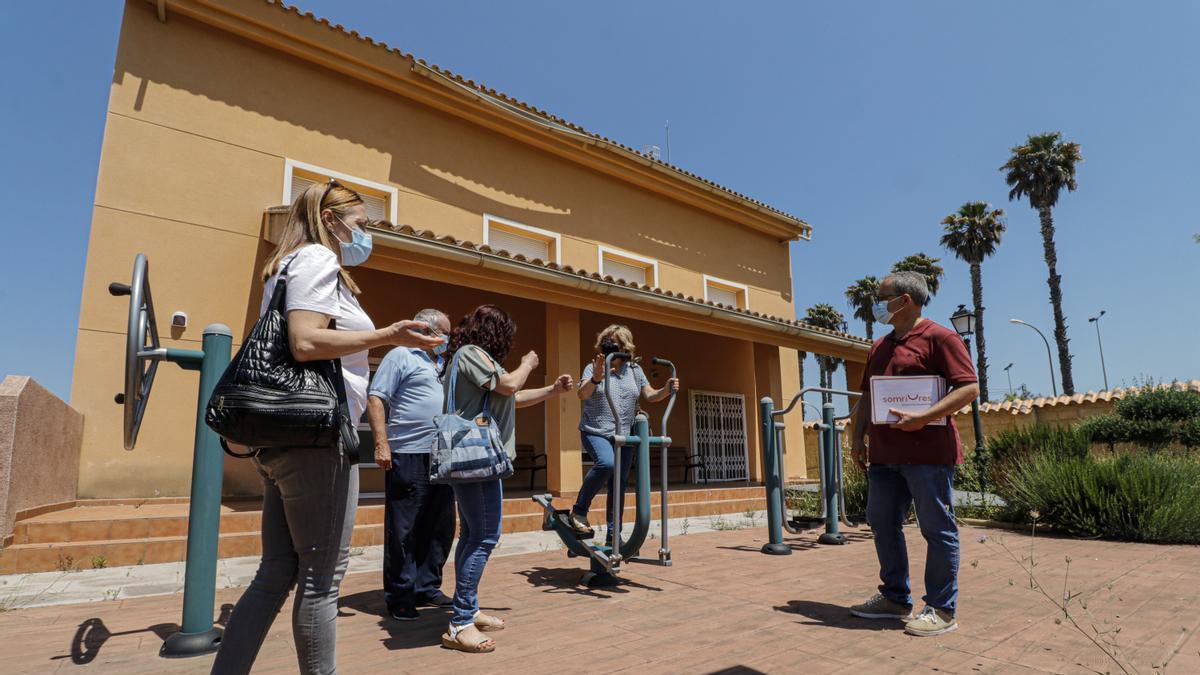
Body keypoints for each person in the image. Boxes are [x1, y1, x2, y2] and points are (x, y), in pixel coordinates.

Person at [211, 180, 443, 675]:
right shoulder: (318, 258)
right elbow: (305, 342)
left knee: (275, 573)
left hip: (283, 442)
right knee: (321, 582)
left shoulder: (284, 266)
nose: (366, 235)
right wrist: (388, 334)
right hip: (317, 441)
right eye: (361, 225)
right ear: (332, 221)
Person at [848, 271, 979, 637]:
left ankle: (941, 609)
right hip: (884, 457)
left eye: (882, 297)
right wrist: (857, 439)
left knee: (937, 530)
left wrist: (924, 417)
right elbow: (867, 396)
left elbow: (968, 388)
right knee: (882, 524)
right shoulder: (879, 346)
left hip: (929, 456)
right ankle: (894, 598)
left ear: (905, 300)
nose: (876, 304)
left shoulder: (940, 337)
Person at [440, 305, 573, 653]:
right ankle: (460, 623)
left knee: (472, 536)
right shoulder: (471, 354)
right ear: (494, 333)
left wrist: (552, 391)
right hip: (476, 458)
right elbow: (511, 383)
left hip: (481, 460)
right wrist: (529, 363)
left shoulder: (479, 360)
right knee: (484, 538)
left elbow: (511, 394)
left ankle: (468, 609)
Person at [367, 308, 455, 621]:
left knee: (440, 526)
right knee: (404, 528)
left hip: (442, 455)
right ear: (425, 330)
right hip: (408, 453)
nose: (447, 338)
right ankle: (401, 595)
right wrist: (381, 443)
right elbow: (376, 398)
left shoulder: (442, 364)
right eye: (443, 331)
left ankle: (427, 588)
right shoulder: (400, 355)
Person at [566, 325, 679, 540]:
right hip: (596, 431)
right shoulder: (594, 368)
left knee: (619, 483)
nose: (609, 347)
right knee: (606, 464)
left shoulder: (635, 371)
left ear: (625, 348)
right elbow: (582, 394)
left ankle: (613, 534)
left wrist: (666, 389)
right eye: (605, 342)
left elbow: (650, 395)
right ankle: (579, 511)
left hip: (624, 435)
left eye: (614, 343)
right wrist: (597, 377)